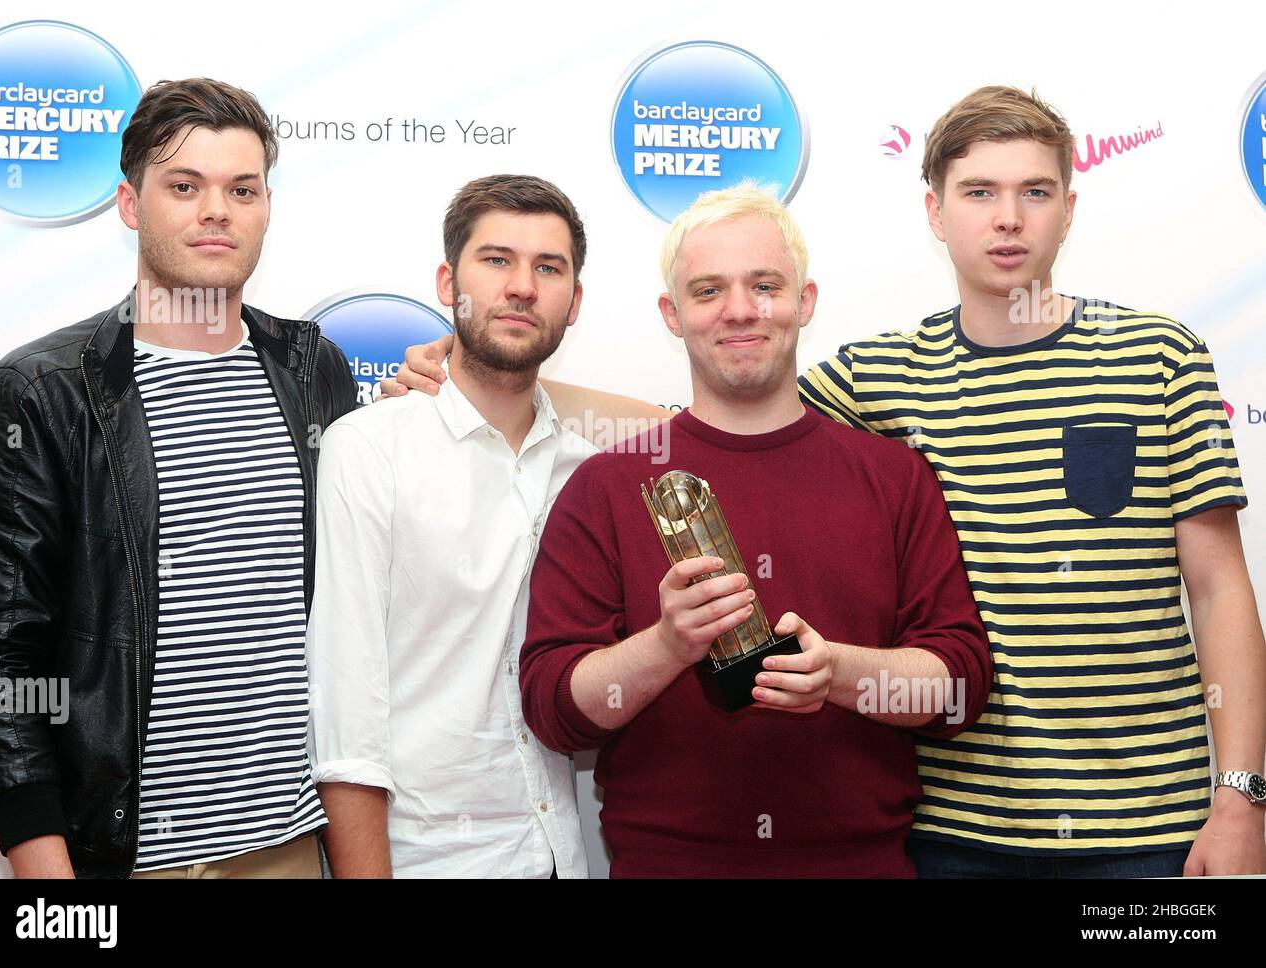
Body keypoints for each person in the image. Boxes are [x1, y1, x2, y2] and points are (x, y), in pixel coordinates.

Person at [390, 86, 1266, 878]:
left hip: (1153, 825)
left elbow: (1218, 590)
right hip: (959, 831)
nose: (1008, 220)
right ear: (936, 210)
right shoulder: (883, 377)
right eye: (979, 192)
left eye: (1034, 192)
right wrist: (485, 375)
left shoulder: (1151, 358)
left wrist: (1244, 796)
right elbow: (718, 414)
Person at [516, 183, 992, 877]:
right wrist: (668, 644)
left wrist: (840, 674)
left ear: (804, 300)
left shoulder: (893, 478)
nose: (740, 309)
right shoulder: (605, 489)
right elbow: (556, 709)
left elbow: (958, 688)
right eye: (708, 291)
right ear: (672, 315)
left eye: (764, 284)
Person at [0, 77, 357, 879]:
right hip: (119, 863)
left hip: (289, 851)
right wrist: (50, 884)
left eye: (241, 189)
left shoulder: (313, 368)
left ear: (266, 206)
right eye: (185, 186)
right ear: (130, 203)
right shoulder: (41, 391)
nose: (218, 210)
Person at [305, 175, 599, 877]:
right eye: (496, 260)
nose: (522, 287)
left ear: (575, 300)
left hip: (560, 851)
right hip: (427, 861)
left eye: (548, 268)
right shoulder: (369, 447)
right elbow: (347, 711)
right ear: (448, 281)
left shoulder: (587, 473)